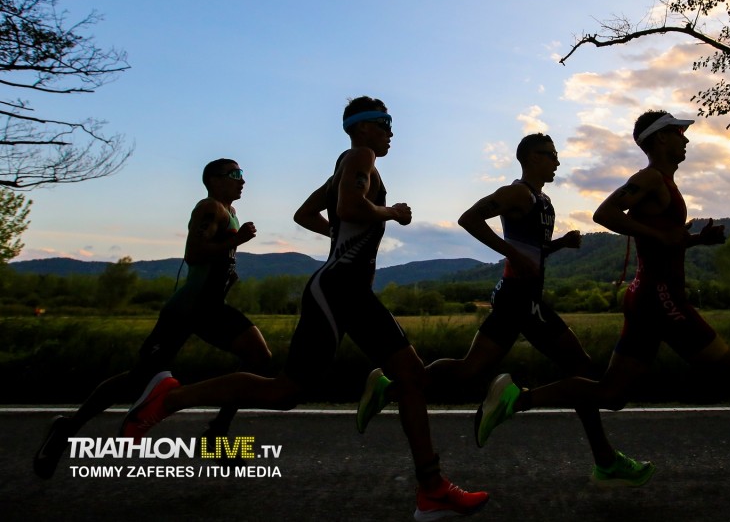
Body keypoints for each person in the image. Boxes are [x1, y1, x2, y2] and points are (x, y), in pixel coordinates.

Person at [117, 97, 488, 522]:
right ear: (362, 127)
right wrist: (391, 212)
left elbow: (305, 213)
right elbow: (349, 208)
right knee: (293, 390)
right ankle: (170, 398)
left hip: (343, 289)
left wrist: (341, 235)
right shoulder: (360, 156)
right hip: (339, 289)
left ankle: (431, 488)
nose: (391, 131)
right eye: (385, 123)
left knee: (387, 379)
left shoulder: (343, 167)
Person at [474, 110, 730, 517]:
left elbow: (660, 240)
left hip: (649, 298)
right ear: (659, 139)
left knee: (612, 393)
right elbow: (605, 215)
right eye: (677, 132)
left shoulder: (662, 184)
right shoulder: (650, 179)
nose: (685, 138)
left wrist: (696, 241)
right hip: (662, 299)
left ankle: (517, 399)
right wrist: (661, 234)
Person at [356, 133, 654, 486]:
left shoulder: (542, 200)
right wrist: (510, 255)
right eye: (549, 155)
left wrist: (557, 245)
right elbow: (469, 219)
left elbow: (531, 250)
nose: (557, 162)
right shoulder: (517, 193)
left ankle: (388, 388)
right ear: (529, 158)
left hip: (522, 298)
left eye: (556, 156)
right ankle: (597, 455)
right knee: (582, 371)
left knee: (470, 369)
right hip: (520, 298)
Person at [33, 159, 271, 479]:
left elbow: (210, 259)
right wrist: (237, 241)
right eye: (235, 175)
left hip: (210, 306)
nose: (243, 180)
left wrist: (228, 272)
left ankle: (217, 433)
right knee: (139, 376)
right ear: (214, 181)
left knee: (259, 357)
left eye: (243, 174)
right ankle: (67, 428)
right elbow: (194, 254)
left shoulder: (229, 212)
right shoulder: (209, 208)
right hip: (188, 308)